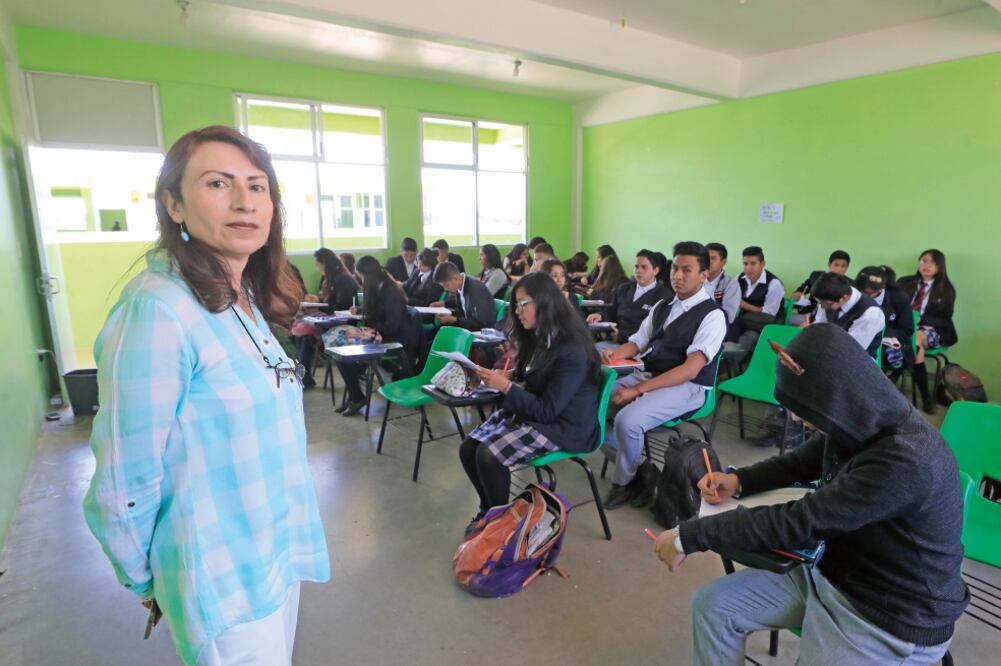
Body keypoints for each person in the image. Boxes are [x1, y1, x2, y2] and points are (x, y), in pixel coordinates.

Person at [83, 126, 329, 666]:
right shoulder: (158, 309)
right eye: (218, 183)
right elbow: (123, 478)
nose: (245, 201)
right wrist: (147, 578)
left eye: (257, 186)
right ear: (173, 204)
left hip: (270, 557)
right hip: (220, 578)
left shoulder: (241, 300)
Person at [653, 324, 968, 666]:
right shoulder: (861, 416)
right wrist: (739, 480)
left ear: (836, 394)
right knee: (713, 607)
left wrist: (689, 536)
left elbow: (800, 522)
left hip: (887, 617)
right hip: (835, 574)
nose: (797, 419)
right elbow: (800, 463)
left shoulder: (905, 460)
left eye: (803, 411)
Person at [458, 272, 602, 531]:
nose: (517, 311)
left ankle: (500, 527)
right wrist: (511, 376)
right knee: (468, 448)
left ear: (545, 303)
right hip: (541, 411)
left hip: (565, 426)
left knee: (489, 455)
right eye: (516, 304)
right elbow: (538, 377)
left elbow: (547, 411)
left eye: (523, 304)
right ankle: (489, 511)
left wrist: (506, 386)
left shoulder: (572, 348)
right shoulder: (541, 335)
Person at [599, 242, 726, 509]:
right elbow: (638, 342)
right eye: (675, 269)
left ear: (703, 275)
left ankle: (624, 483)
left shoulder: (712, 316)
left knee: (627, 421)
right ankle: (640, 470)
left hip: (689, 386)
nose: (677, 276)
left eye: (687, 270)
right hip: (650, 375)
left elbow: (690, 369)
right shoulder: (663, 305)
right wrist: (614, 354)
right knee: (591, 406)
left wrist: (636, 390)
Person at [898, 249, 957, 414]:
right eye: (924, 261)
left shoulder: (946, 289)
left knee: (916, 338)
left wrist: (919, 319)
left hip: (933, 331)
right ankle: (926, 398)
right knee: (917, 349)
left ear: (940, 267)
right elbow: (894, 305)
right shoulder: (904, 282)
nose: (927, 265)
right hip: (906, 328)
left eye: (933, 262)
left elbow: (945, 319)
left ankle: (892, 383)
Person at [587, 249, 672, 348]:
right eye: (636, 267)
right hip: (614, 340)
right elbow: (611, 311)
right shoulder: (624, 288)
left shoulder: (665, 296)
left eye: (644, 267)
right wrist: (600, 315)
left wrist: (622, 337)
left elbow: (656, 330)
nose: (638, 271)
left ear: (655, 270)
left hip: (641, 347)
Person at [297, 248, 357, 388]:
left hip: (344, 325)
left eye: (318, 264)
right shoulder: (331, 278)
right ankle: (305, 378)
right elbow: (331, 303)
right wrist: (318, 300)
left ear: (324, 263)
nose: (317, 267)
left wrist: (320, 304)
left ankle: (305, 379)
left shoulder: (343, 279)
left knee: (306, 333)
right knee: (303, 332)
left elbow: (340, 307)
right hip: (333, 322)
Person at [807, 272, 884, 358]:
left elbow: (851, 350)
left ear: (843, 298)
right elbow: (820, 326)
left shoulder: (870, 314)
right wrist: (810, 331)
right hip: (829, 349)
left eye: (826, 303)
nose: (822, 306)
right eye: (819, 302)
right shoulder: (830, 296)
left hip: (857, 359)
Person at [856, 265, 914, 374]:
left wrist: (877, 332)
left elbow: (906, 330)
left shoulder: (899, 298)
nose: (866, 297)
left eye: (870, 293)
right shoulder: (854, 295)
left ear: (882, 287)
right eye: (863, 292)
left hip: (888, 342)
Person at [731, 246, 785, 351]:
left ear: (762, 264)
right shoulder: (739, 278)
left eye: (753, 264)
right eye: (745, 264)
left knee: (747, 339)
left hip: (764, 325)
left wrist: (743, 305)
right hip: (745, 321)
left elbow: (768, 313)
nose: (748, 268)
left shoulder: (774, 284)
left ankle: (733, 359)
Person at [790, 250, 851, 324]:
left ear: (847, 268)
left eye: (843, 266)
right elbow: (803, 289)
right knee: (784, 318)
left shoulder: (850, 285)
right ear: (829, 264)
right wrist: (797, 294)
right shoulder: (816, 276)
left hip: (830, 320)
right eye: (836, 265)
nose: (839, 269)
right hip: (808, 315)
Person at [432, 261, 496, 331]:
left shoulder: (476, 290)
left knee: (438, 334)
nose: (445, 289)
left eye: (446, 285)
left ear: (455, 278)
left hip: (481, 332)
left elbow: (481, 324)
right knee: (434, 332)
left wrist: (455, 320)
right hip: (467, 327)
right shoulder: (460, 285)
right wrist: (449, 314)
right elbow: (462, 311)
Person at [704, 242, 740, 326]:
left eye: (713, 258)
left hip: (717, 327)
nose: (708, 262)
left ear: (723, 262)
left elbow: (728, 317)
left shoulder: (731, 285)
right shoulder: (695, 279)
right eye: (706, 258)